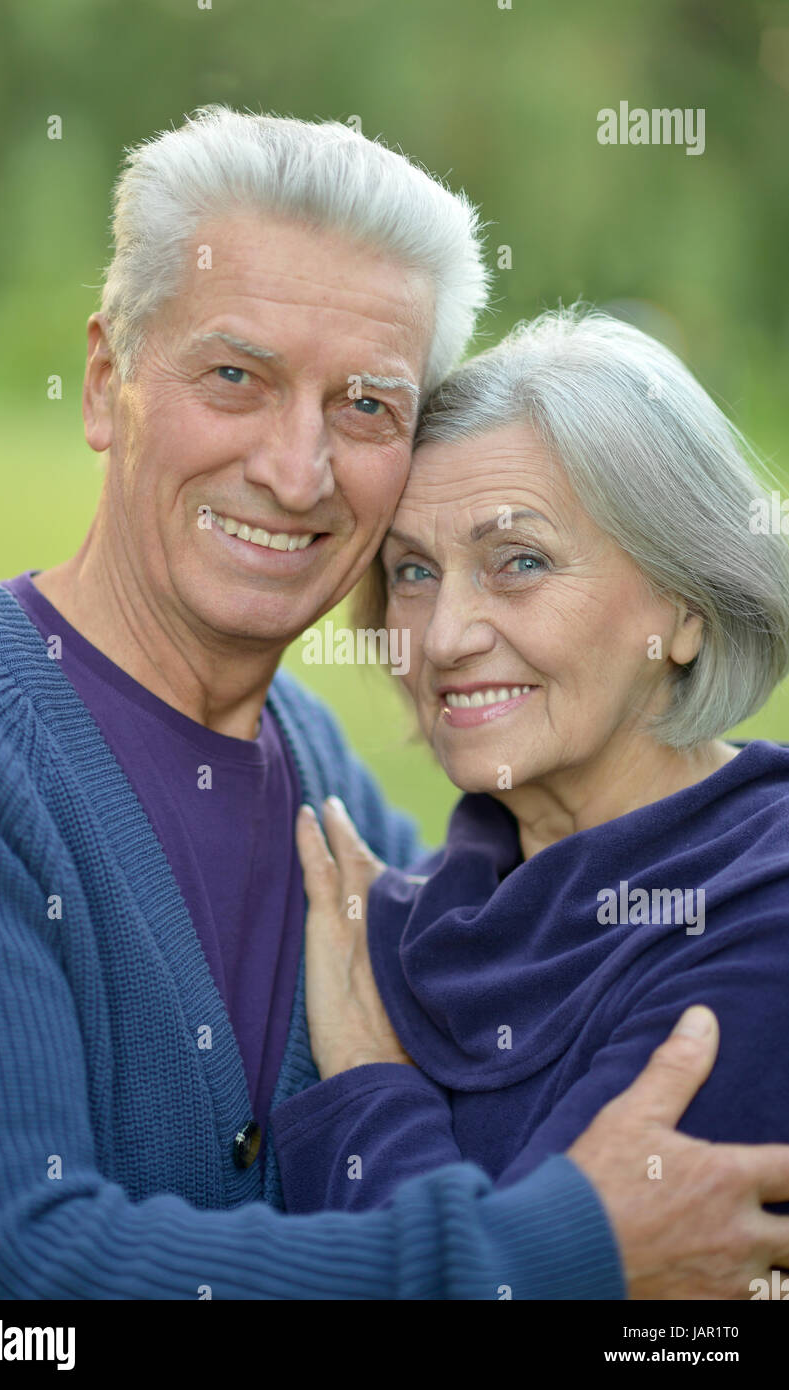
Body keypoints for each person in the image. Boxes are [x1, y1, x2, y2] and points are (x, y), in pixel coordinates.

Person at [0, 108, 789, 1301]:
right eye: (236, 377)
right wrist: (553, 1254)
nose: (296, 469)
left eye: (367, 406)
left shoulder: (322, 782)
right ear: (104, 382)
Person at [271, 310, 789, 1251]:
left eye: (519, 563)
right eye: (414, 572)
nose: (443, 635)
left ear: (687, 610)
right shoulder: (431, 898)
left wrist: (364, 1081)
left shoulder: (758, 919)